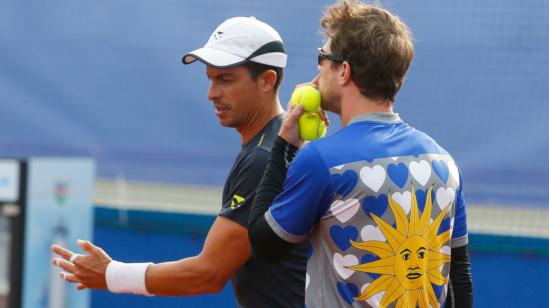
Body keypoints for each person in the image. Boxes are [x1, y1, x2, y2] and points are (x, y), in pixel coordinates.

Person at [51, 16, 307, 307]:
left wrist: (113, 275)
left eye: (225, 79)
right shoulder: (274, 144)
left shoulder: (264, 158)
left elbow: (208, 273)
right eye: (210, 78)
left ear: (267, 80)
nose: (212, 93)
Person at [248, 1, 473, 307]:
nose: (318, 69)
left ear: (344, 71)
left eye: (322, 58)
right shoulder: (445, 163)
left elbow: (264, 245)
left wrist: (284, 147)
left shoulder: (320, 161)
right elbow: (459, 280)